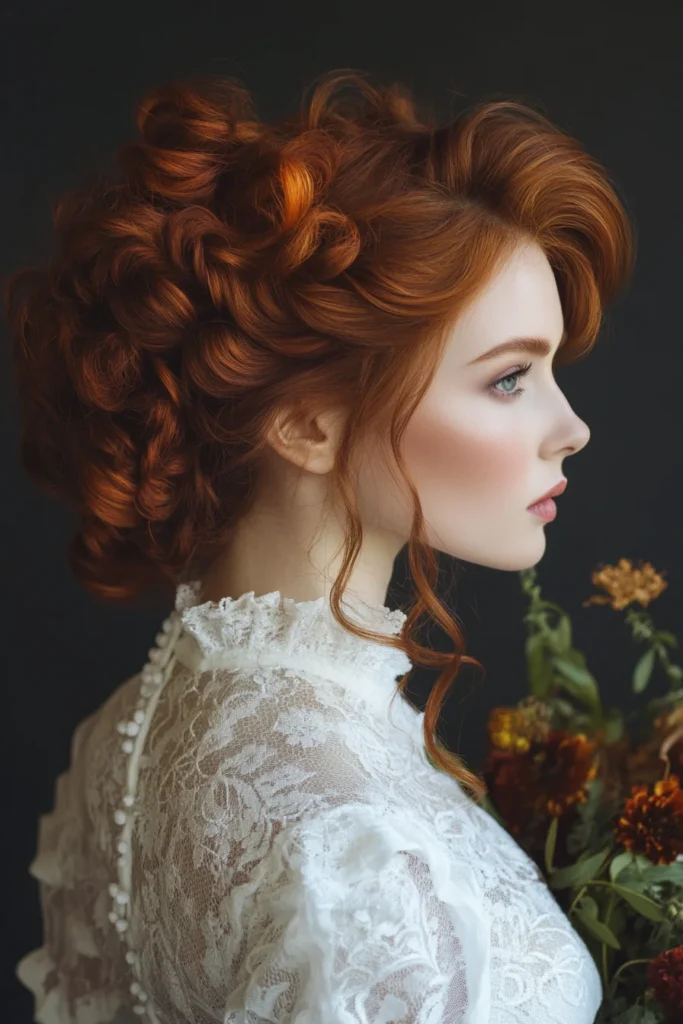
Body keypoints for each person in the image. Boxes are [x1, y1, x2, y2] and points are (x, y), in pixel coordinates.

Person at [6, 68, 634, 1023]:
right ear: (307, 427)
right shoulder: (354, 860)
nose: (571, 426)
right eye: (509, 379)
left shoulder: (128, 740)